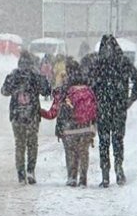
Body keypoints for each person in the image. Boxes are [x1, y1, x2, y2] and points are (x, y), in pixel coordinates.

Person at [92, 34, 137, 187]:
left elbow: (90, 85)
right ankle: (119, 169)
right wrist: (130, 99)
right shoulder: (123, 62)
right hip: (119, 108)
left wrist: (94, 101)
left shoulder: (98, 64)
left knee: (104, 141)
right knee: (118, 140)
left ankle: (105, 174)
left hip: (102, 108)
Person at [40, 57, 98, 187]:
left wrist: (39, 111)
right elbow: (95, 109)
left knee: (70, 152)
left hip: (69, 128)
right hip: (86, 127)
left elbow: (52, 113)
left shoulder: (62, 91)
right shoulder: (88, 89)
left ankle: (72, 177)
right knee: (84, 152)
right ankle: (83, 178)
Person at [1, 50, 52, 184]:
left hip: (17, 115)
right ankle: (30, 170)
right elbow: (46, 90)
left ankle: (21, 174)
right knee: (32, 144)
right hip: (32, 115)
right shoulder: (35, 75)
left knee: (19, 144)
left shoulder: (14, 75)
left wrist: (14, 86)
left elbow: (4, 91)